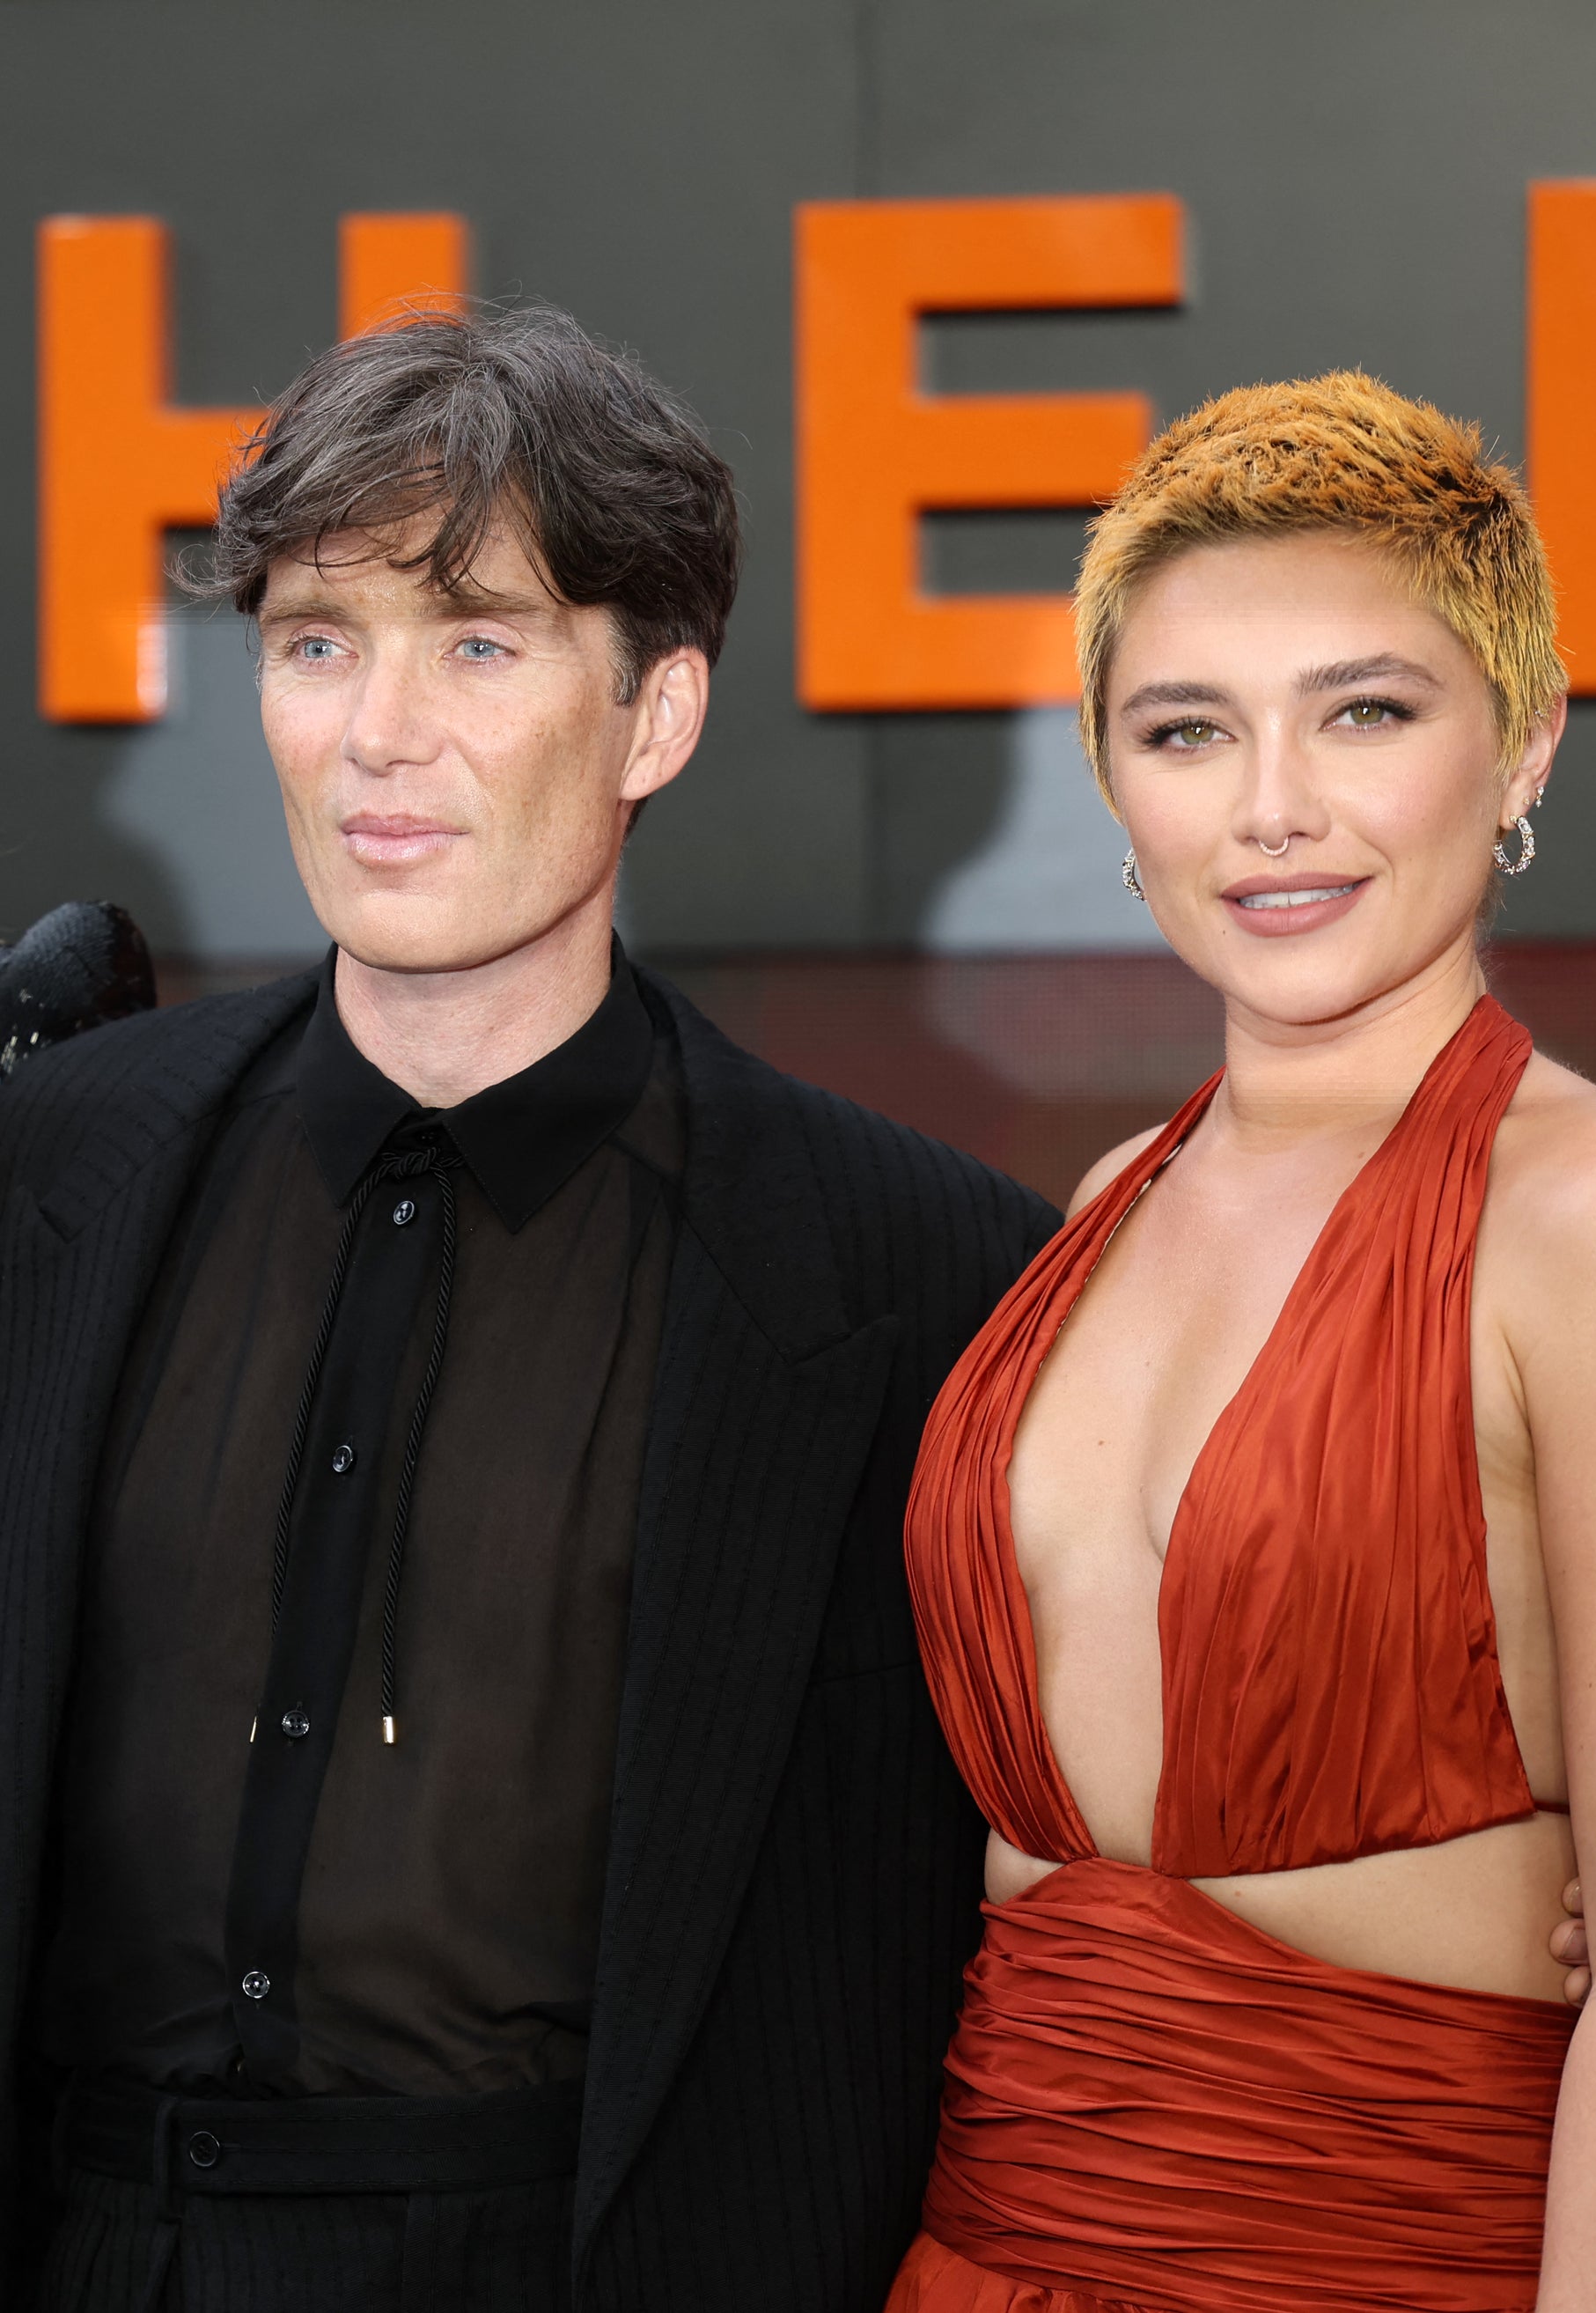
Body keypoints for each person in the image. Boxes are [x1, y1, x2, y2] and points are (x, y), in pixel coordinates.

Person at [0, 306, 1060, 2312]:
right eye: (318, 642)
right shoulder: (47, 1167)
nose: (375, 734)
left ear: (654, 718)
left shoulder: (925, 1280)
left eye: (475, 644)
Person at [887, 374, 1596, 2310]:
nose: (1270, 808)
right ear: (1110, 783)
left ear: (1516, 748)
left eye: (1363, 711)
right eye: (1187, 731)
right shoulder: (1099, 1206)